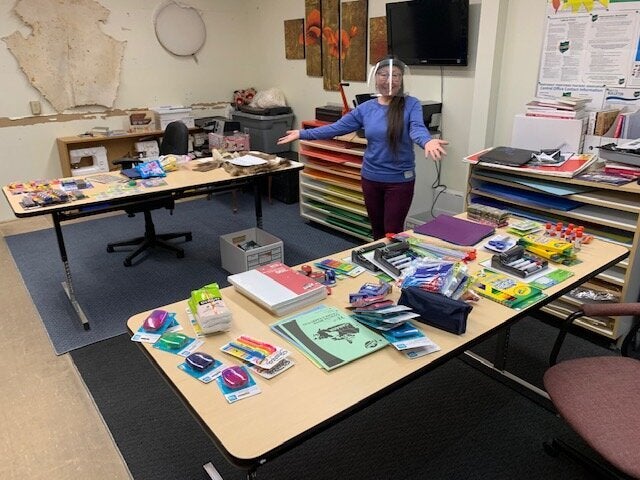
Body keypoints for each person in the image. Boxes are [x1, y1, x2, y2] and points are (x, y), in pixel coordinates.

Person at [277, 56, 448, 240]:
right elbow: (336, 128)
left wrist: (427, 141)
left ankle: (392, 264)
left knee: (392, 231)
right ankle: (377, 265)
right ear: (376, 78)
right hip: (371, 178)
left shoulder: (411, 104)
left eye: (396, 75)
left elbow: (417, 128)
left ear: (402, 79)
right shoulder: (366, 108)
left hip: (399, 181)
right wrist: (302, 134)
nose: (390, 80)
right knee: (376, 229)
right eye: (384, 74)